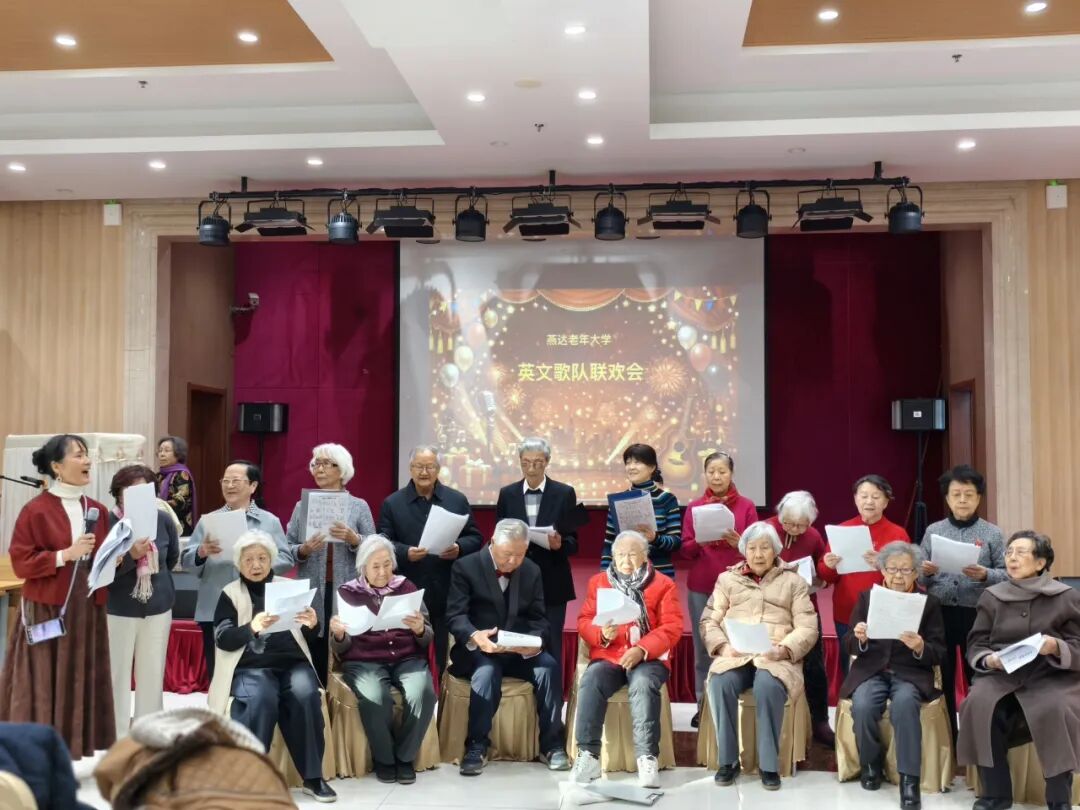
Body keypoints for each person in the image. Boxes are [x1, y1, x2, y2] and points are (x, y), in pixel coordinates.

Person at [0, 434, 114, 759]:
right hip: (48, 606)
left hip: (88, 606)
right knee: (43, 679)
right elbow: (22, 562)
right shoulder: (35, 510)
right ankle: (36, 750)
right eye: (78, 455)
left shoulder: (97, 509)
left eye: (87, 454)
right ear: (57, 467)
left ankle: (73, 745)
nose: (87, 461)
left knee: (79, 676)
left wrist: (118, 556)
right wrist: (66, 554)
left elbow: (102, 557)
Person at [207, 530, 336, 803]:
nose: (256, 565)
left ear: (271, 560)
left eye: (262, 558)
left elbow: (311, 637)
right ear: (239, 564)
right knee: (260, 698)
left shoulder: (289, 587)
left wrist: (313, 624)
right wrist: (251, 627)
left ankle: (313, 777)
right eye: (249, 559)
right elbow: (223, 638)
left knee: (305, 695)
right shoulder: (230, 594)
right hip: (250, 666)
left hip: (293, 663)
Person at [958, 531, 1080, 810]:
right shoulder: (992, 596)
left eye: (1021, 552)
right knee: (979, 703)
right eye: (1009, 552)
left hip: (1051, 675)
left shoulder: (1066, 597)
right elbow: (977, 643)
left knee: (1056, 709)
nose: (1012, 558)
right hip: (1002, 675)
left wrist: (1056, 646)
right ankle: (995, 795)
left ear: (1040, 562)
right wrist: (989, 660)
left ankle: (1059, 799)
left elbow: (1077, 643)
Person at [445, 518, 569, 776]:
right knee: (486, 673)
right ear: (492, 542)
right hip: (481, 649)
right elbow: (456, 616)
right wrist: (475, 636)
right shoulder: (465, 567)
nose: (512, 561)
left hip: (518, 650)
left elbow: (539, 618)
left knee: (548, 668)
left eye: (519, 555)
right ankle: (476, 746)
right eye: (506, 554)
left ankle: (552, 745)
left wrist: (533, 643)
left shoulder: (532, 570)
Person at [701, 521, 818, 791]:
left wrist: (784, 649)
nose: (758, 554)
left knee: (767, 686)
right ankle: (727, 761)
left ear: (775, 550)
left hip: (775, 655)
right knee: (719, 683)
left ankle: (769, 765)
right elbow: (709, 620)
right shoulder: (727, 580)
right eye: (752, 548)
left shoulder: (794, 581)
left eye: (764, 548)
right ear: (744, 551)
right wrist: (722, 647)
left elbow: (808, 627)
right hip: (736, 652)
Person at [572, 530, 684, 788]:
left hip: (649, 658)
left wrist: (642, 649)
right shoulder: (599, 582)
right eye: (620, 555)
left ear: (645, 556)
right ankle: (588, 755)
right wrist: (602, 634)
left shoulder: (663, 584)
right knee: (591, 680)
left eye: (632, 554)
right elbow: (584, 620)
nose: (626, 560)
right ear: (612, 557)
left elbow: (672, 626)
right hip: (609, 655)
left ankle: (646, 757)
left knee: (642, 683)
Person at [841, 542, 946, 810]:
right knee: (863, 705)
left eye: (905, 570)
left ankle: (909, 781)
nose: (898, 576)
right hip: (872, 670)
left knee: (905, 705)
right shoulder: (867, 598)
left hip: (910, 673)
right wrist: (860, 638)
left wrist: (920, 646)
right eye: (892, 569)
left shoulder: (929, 603)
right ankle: (870, 764)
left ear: (916, 573)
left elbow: (939, 651)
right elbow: (848, 642)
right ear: (883, 571)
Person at [330, 534, 436, 785]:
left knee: (423, 693)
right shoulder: (347, 592)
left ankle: (405, 757)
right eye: (375, 566)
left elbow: (427, 636)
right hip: (364, 661)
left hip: (407, 658)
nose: (382, 572)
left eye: (387, 564)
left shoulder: (406, 587)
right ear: (363, 567)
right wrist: (339, 634)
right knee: (375, 697)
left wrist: (420, 628)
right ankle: (385, 760)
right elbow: (339, 647)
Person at [180, 460, 292, 681]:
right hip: (215, 605)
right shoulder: (209, 521)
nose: (230, 486)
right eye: (226, 481)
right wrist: (201, 552)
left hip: (258, 608)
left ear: (253, 486)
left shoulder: (269, 521)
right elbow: (187, 563)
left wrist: (256, 565)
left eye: (236, 481)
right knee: (219, 674)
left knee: (257, 671)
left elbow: (286, 558)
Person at [918, 465, 1006, 742]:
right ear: (947, 498)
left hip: (977, 613)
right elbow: (917, 574)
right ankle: (948, 739)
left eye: (969, 494)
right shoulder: (934, 530)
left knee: (976, 674)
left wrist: (986, 574)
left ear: (979, 497)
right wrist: (925, 571)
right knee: (941, 675)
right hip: (940, 612)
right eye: (956, 494)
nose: (963, 500)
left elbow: (1008, 572)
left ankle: (978, 736)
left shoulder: (992, 533)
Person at [378, 445, 483, 675]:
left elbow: (475, 537)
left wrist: (459, 548)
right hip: (408, 587)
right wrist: (405, 552)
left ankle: (441, 687)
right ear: (410, 468)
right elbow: (382, 542)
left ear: (438, 468)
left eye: (430, 466)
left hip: (448, 586)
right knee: (409, 649)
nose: (424, 472)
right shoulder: (393, 503)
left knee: (443, 651)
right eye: (419, 466)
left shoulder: (456, 500)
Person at [285, 443, 376, 678]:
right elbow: (286, 548)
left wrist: (355, 539)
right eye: (316, 464)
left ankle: (342, 694)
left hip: (347, 586)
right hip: (312, 587)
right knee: (313, 641)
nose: (319, 469)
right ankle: (317, 694)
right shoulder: (301, 506)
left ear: (342, 469)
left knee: (345, 641)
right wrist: (303, 549)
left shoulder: (358, 506)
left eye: (327, 464)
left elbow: (375, 549)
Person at [680, 451, 757, 728]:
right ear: (705, 474)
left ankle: (735, 703)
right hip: (702, 586)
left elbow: (758, 550)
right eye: (711, 471)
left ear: (731, 474)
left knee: (738, 644)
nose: (716, 476)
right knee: (704, 648)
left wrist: (740, 542)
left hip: (738, 587)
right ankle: (704, 706)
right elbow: (685, 550)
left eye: (722, 471)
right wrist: (699, 542)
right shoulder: (694, 507)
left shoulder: (747, 506)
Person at [495, 437, 580, 688]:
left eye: (538, 462)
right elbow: (498, 535)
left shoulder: (564, 493)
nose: (531, 468)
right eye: (526, 462)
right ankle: (519, 696)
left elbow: (574, 543)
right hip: (515, 577)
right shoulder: (507, 494)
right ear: (519, 462)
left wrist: (560, 544)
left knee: (551, 639)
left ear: (548, 461)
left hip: (552, 579)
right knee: (515, 638)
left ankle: (552, 699)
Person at [106, 464, 181, 738]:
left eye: (145, 491)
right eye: (130, 490)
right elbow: (98, 569)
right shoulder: (107, 522)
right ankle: (115, 732)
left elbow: (171, 558)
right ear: (118, 493)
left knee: (152, 671)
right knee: (117, 673)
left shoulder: (162, 519)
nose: (138, 496)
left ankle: (149, 730)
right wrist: (130, 557)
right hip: (118, 607)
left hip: (158, 605)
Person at [818, 474, 911, 675]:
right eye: (864, 496)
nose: (869, 501)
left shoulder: (898, 534)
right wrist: (829, 565)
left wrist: (884, 564)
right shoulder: (842, 530)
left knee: (884, 672)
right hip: (847, 614)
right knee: (850, 672)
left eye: (876, 497)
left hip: (885, 614)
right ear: (855, 499)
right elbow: (826, 577)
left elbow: (909, 578)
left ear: (886, 501)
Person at [768, 490, 834, 745]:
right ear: (780, 516)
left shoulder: (813, 536)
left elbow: (823, 572)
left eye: (801, 525)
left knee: (814, 665)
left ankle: (820, 721)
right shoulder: (766, 530)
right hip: (771, 608)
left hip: (805, 607)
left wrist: (821, 579)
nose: (794, 529)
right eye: (789, 523)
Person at [601, 444, 681, 577]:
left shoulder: (667, 499)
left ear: (652, 467)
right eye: (628, 463)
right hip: (625, 575)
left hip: (659, 574)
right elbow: (609, 543)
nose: (631, 467)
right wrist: (604, 574)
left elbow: (676, 542)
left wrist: (655, 538)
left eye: (637, 462)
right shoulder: (618, 500)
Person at [157, 436, 196, 536]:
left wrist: (156, 506)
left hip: (179, 527)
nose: (162, 454)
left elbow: (180, 502)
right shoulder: (159, 476)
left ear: (178, 454)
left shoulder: (182, 474)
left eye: (167, 450)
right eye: (160, 450)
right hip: (160, 524)